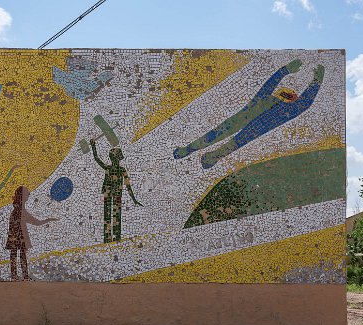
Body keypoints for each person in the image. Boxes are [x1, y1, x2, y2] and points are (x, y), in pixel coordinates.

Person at [173, 59, 325, 169]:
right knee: (220, 136)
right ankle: (192, 151)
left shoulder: (287, 110)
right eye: (286, 94)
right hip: (242, 121)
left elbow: (304, 103)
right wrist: (285, 72)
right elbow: (275, 89)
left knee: (231, 142)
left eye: (289, 96)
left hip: (253, 128)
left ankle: (207, 156)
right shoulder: (267, 99)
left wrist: (315, 81)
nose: (286, 96)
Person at [89, 139, 142, 243]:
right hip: (110, 193)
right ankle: (110, 238)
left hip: (113, 194)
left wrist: (134, 199)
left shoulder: (117, 169)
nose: (117, 159)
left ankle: (113, 238)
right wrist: (93, 145)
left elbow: (127, 184)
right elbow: (127, 185)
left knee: (113, 216)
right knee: (110, 216)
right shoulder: (113, 169)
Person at [5, 186, 57, 281]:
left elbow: (35, 222)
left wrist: (48, 220)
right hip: (18, 235)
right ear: (23, 196)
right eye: (27, 194)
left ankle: (17, 276)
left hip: (16, 234)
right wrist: (48, 220)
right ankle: (21, 276)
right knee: (19, 254)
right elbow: (36, 222)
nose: (29, 195)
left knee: (17, 254)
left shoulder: (18, 209)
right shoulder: (20, 210)